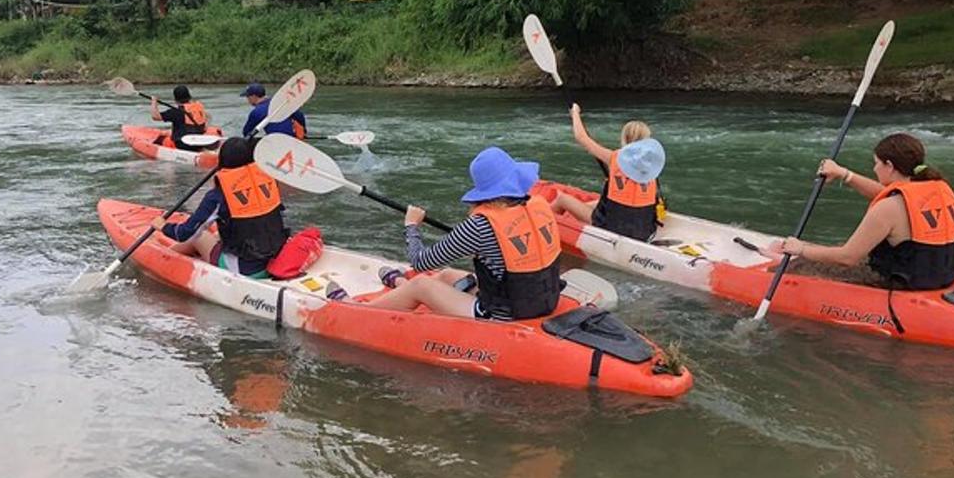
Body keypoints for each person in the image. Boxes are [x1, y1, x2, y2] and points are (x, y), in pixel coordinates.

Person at [336, 146, 564, 320]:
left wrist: (412, 226)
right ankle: (399, 286)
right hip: (543, 298)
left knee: (422, 284)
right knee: (446, 275)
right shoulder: (537, 205)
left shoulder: (479, 226)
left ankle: (355, 310)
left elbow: (419, 262)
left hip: (502, 313)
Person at [763, 132, 954, 290]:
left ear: (889, 165)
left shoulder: (888, 208)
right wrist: (845, 174)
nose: (875, 169)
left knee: (803, 263)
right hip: (944, 274)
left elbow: (848, 258)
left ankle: (768, 271)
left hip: (902, 282)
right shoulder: (936, 187)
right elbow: (884, 194)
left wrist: (800, 249)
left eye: (876, 163)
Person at [150, 137, 289, 277]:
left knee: (199, 236)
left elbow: (186, 233)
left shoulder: (217, 196)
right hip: (276, 259)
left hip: (244, 269)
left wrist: (163, 227)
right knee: (217, 233)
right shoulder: (269, 183)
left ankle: (161, 256)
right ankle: (168, 253)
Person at [548, 103, 666, 241]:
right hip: (645, 230)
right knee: (599, 201)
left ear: (625, 138)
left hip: (612, 227)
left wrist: (575, 113)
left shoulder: (613, 158)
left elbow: (581, 137)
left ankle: (543, 228)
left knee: (562, 199)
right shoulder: (652, 167)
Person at [150, 85, 210, 150]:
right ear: (189, 97)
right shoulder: (198, 107)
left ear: (175, 100)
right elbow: (207, 119)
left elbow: (155, 117)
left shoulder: (176, 112)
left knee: (160, 139)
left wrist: (154, 102)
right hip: (199, 142)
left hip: (183, 144)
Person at [241, 82, 307, 139]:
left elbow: (246, 132)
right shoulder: (281, 104)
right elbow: (300, 116)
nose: (247, 100)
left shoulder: (256, 112)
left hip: (276, 142)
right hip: (293, 138)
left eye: (248, 97)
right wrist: (304, 131)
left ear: (253, 96)